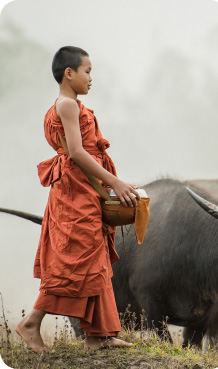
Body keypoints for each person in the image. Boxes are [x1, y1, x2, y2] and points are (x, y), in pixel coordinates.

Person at [16, 46, 140, 353]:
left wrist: (110, 185)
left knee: (95, 259)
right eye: (87, 71)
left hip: (84, 189)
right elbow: (77, 152)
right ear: (69, 73)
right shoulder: (68, 105)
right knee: (75, 262)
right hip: (74, 193)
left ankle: (98, 335)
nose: (91, 78)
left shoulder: (69, 104)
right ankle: (30, 322)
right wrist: (114, 181)